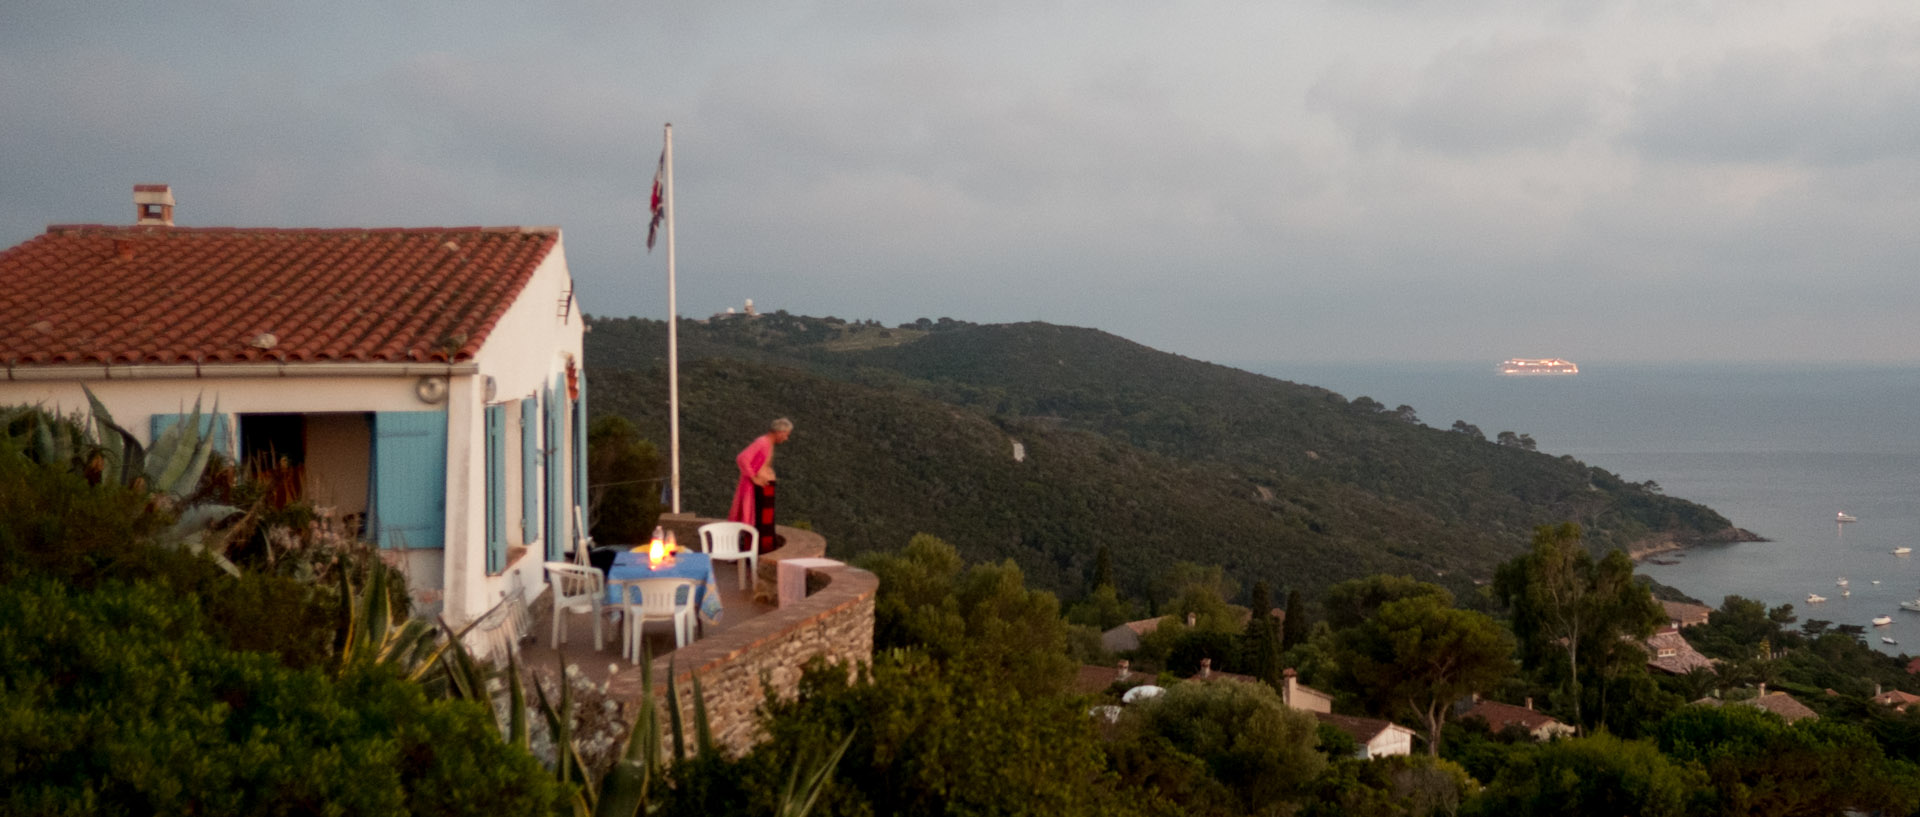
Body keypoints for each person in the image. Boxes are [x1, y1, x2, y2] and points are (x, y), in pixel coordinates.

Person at [729, 418, 792, 552]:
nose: (786, 438)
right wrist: (754, 477)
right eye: (786, 434)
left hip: (764, 488)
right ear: (779, 432)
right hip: (756, 489)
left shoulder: (768, 443)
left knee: (764, 522)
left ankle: (761, 548)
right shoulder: (762, 442)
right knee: (757, 521)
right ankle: (755, 550)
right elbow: (742, 458)